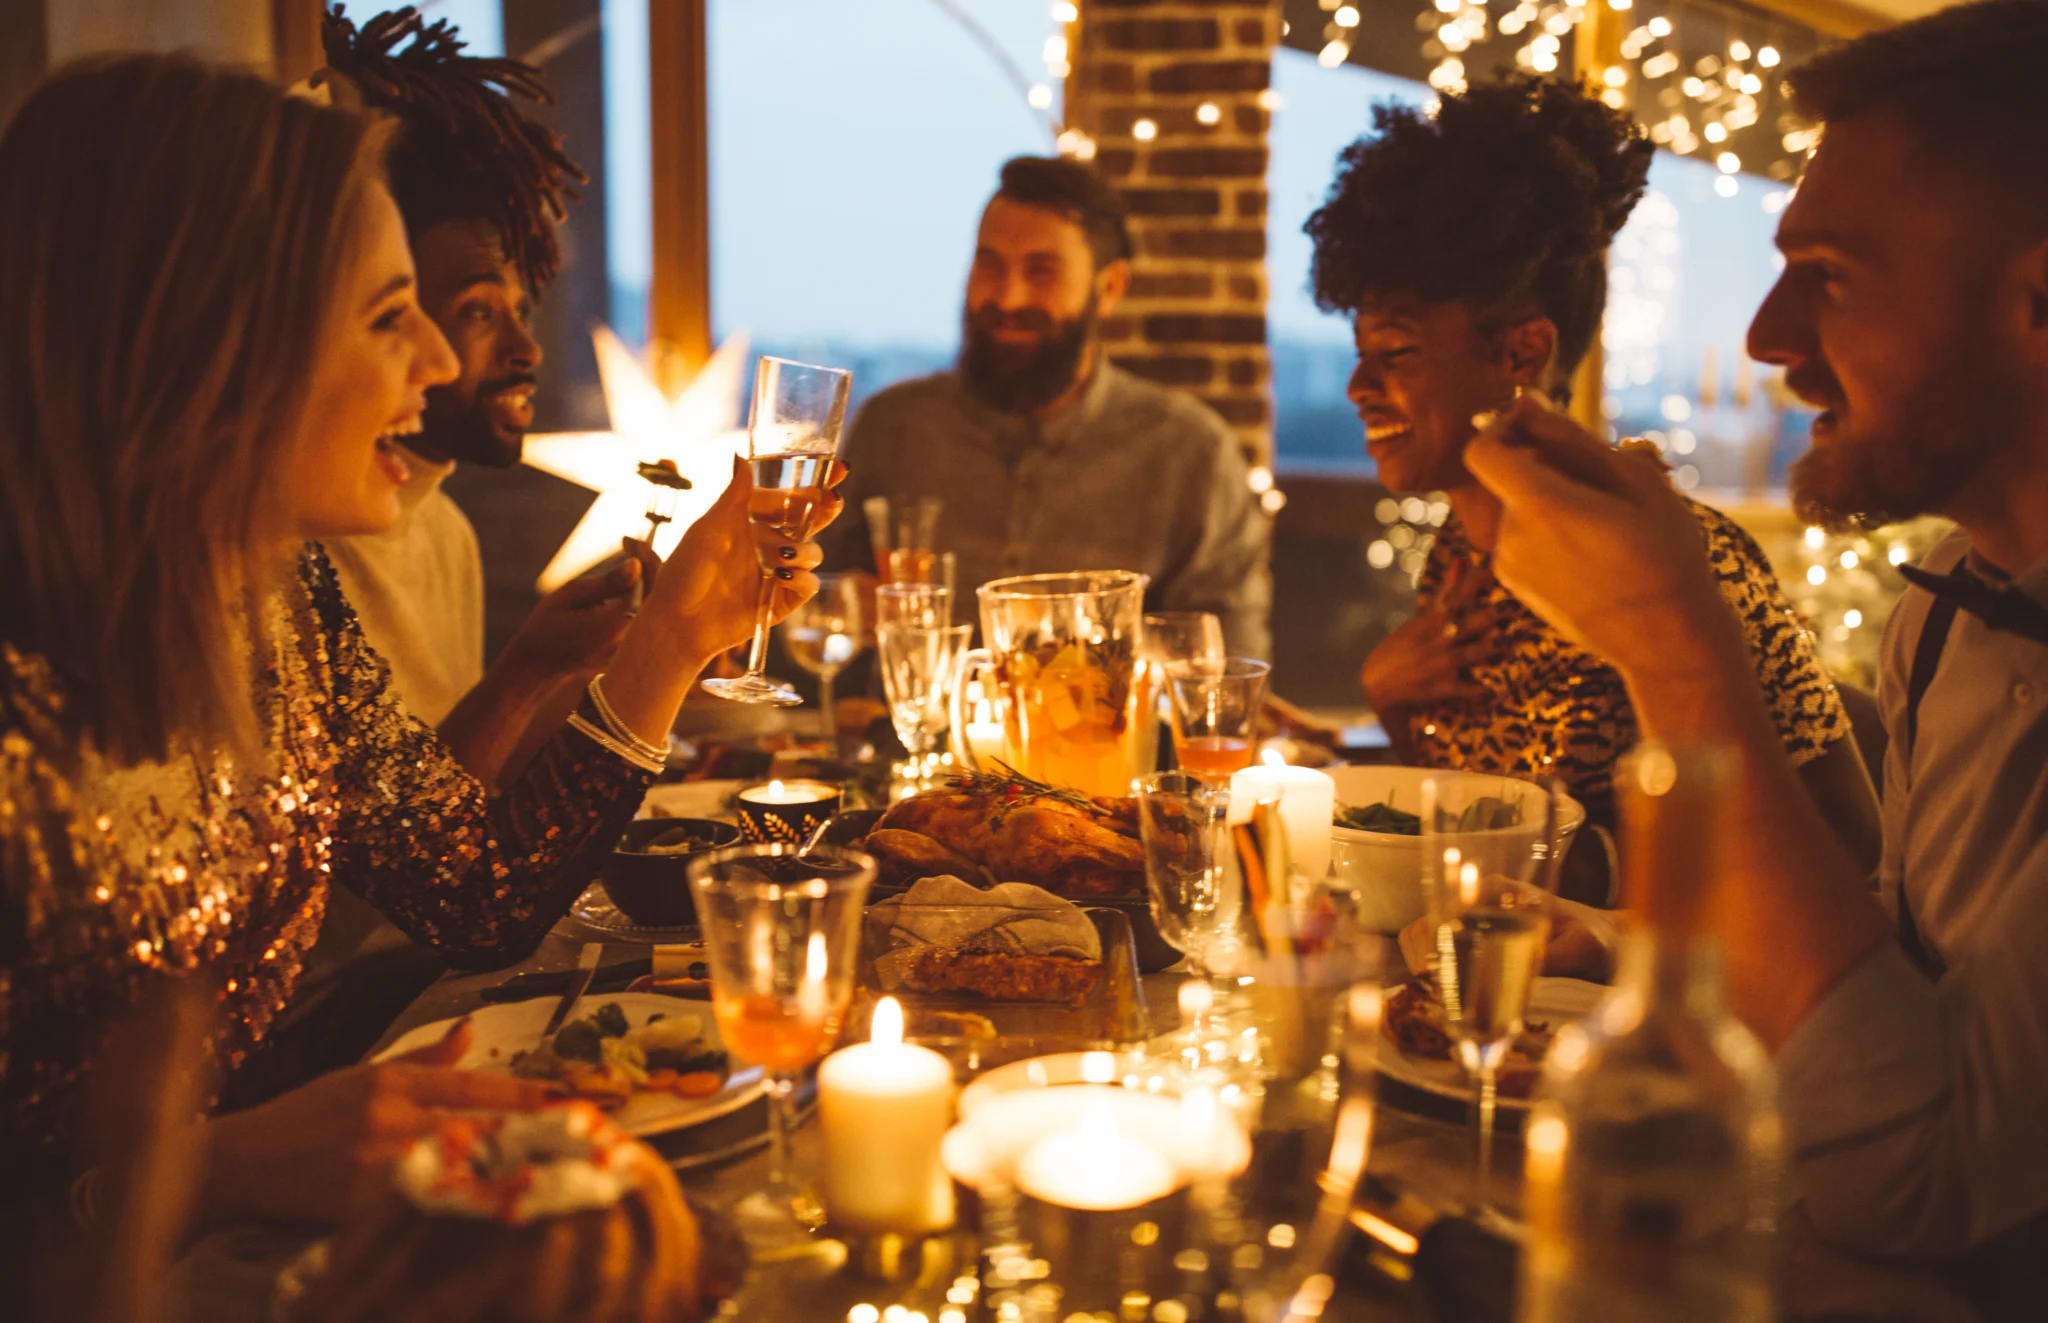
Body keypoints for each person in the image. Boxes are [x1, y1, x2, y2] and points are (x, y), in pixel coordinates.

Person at [0, 54, 831, 1244]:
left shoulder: (284, 601)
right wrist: (197, 1175)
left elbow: (473, 893)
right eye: (392, 318)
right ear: (204, 339)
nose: (440, 364)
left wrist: (678, 631)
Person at [1453, 0, 2048, 1293]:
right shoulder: (1947, 598)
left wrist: (1674, 645)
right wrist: (1626, 942)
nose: (1770, 339)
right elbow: (1888, 971)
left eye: (1827, 274)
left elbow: (1923, 1181)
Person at [1306, 74, 1880, 877]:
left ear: (1521, 355)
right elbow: (1476, 820)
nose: (1360, 389)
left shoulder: (1684, 557)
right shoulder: (1457, 559)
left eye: (1395, 353)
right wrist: (1393, 703)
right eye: (1361, 354)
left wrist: (1597, 878)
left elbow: (1854, 853)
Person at [823, 155, 1273, 656]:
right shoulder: (893, 427)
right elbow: (807, 600)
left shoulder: (1191, 453)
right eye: (989, 265)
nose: (1007, 297)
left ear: (1109, 288)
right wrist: (836, 605)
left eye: (1042, 272)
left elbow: (1226, 664)